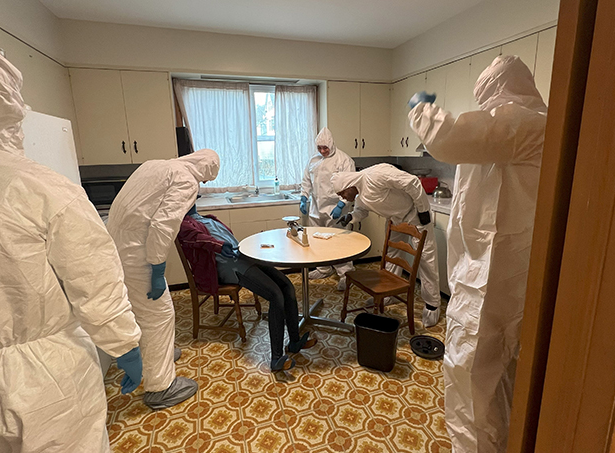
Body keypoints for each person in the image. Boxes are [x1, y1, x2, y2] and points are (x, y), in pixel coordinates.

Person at [0, 21, 143, 452]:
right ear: (2, 96)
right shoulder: (37, 184)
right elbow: (95, 280)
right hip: (46, 377)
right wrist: (124, 342)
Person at [408, 55, 547, 453]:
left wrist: (419, 106)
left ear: (496, 89)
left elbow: (445, 135)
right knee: (499, 376)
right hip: (505, 273)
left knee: (469, 374)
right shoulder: (525, 126)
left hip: (490, 277)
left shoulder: (520, 122)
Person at [107, 149, 219, 410]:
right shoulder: (186, 180)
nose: (202, 183)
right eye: (205, 179)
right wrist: (157, 269)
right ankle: (160, 387)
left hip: (115, 245)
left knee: (142, 310)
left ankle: (158, 354)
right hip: (138, 252)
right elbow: (163, 225)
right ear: (204, 170)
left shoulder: (155, 164)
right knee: (159, 315)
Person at [178, 204, 317, 371]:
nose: (193, 198)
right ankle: (276, 358)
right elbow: (198, 238)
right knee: (275, 295)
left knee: (287, 286)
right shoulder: (183, 224)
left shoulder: (208, 218)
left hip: (241, 257)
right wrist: (219, 246)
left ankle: (294, 341)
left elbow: (230, 240)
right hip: (227, 266)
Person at [331, 164, 442, 327]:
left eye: (342, 193)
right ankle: (389, 295)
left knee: (426, 260)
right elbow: (362, 211)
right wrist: (351, 217)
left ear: (348, 185)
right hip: (395, 219)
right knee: (392, 255)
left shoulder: (376, 175)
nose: (343, 197)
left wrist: (423, 210)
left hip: (416, 215)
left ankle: (433, 305)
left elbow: (412, 182)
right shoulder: (360, 195)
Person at [300, 128, 356, 290]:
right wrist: (304, 197)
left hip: (336, 208)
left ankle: (346, 274)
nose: (323, 151)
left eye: (325, 148)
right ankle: (323, 268)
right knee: (317, 240)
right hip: (316, 208)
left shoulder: (344, 160)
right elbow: (306, 181)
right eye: (320, 148)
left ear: (331, 144)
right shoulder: (313, 160)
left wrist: (341, 204)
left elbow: (351, 185)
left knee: (339, 243)